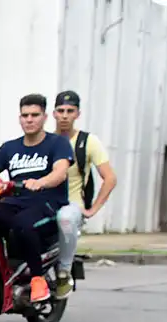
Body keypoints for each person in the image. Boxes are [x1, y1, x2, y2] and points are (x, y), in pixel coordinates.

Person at [0, 93, 73, 303]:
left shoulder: (58, 144)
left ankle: (37, 279)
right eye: (25, 115)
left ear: (44, 117)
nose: (29, 120)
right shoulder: (10, 148)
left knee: (23, 225)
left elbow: (60, 173)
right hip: (16, 200)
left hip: (46, 202)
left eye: (34, 115)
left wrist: (41, 182)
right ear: (19, 118)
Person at [51, 90, 117, 298]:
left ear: (77, 114)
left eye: (70, 111)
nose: (64, 115)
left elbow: (110, 178)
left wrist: (93, 209)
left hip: (71, 205)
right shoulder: (46, 140)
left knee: (67, 218)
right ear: (53, 113)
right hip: (44, 203)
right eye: (60, 110)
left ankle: (64, 270)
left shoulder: (88, 142)